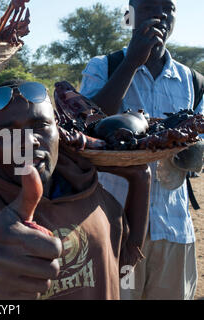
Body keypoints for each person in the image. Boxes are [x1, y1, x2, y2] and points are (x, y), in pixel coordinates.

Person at [0, 80, 151, 300]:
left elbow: (122, 260)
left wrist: (141, 179)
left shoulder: (92, 192)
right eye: (8, 132)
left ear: (59, 133)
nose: (27, 140)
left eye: (40, 125)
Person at [80, 0, 203, 300]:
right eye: (149, 5)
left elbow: (197, 154)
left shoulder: (193, 81)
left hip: (173, 228)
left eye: (168, 6)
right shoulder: (103, 66)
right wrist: (132, 62)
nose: (160, 13)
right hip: (113, 229)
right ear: (129, 16)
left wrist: (191, 149)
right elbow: (86, 125)